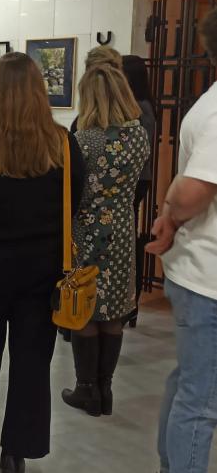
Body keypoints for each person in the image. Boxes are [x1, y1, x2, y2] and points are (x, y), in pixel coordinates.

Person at [0, 53, 85, 473]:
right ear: (40, 92)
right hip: (42, 274)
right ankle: (15, 452)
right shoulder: (63, 144)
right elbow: (74, 201)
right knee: (31, 362)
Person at [61, 64, 148, 418]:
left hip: (87, 229)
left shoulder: (83, 140)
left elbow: (74, 191)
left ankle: (86, 389)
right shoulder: (139, 136)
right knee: (113, 309)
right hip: (123, 229)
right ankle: (106, 389)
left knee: (85, 306)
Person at [152, 7, 217, 473]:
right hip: (207, 277)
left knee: (190, 384)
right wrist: (172, 213)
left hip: (197, 271)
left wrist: (168, 215)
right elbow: (193, 190)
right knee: (201, 400)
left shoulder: (207, 104)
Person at [121, 54, 156, 326]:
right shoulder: (145, 105)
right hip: (140, 179)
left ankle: (130, 303)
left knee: (128, 238)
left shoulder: (138, 108)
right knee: (128, 235)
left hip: (134, 179)